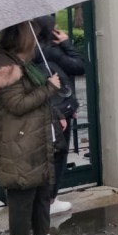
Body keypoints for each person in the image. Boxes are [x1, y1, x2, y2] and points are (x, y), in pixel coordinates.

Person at [0, 21, 72, 235]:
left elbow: (34, 97)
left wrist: (56, 115)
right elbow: (17, 104)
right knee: (22, 191)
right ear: (23, 37)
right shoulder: (3, 67)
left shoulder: (20, 63)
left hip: (33, 136)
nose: (37, 41)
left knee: (41, 187)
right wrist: (49, 88)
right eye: (33, 35)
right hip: (18, 139)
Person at [32, 15, 86, 215]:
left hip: (45, 108)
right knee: (58, 154)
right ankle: (50, 199)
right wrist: (67, 43)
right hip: (59, 110)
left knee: (43, 155)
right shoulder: (51, 51)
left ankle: (40, 199)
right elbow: (80, 66)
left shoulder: (31, 50)